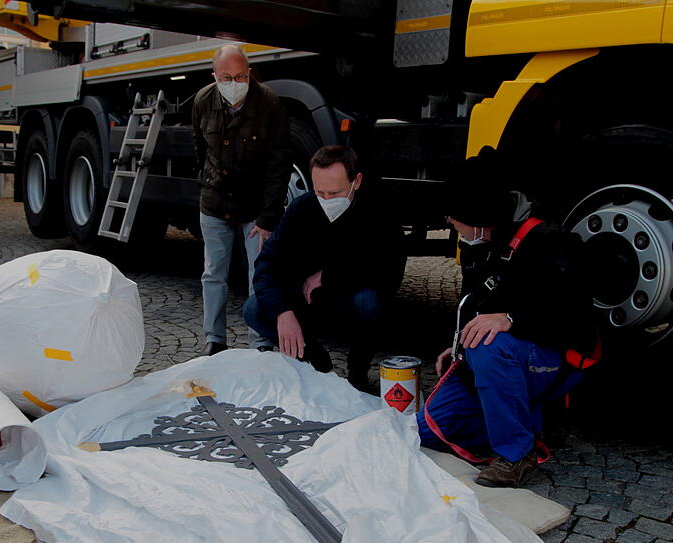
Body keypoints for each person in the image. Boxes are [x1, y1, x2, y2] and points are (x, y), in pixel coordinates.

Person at [417, 147, 596, 487]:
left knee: (490, 347)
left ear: (478, 215)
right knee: (427, 431)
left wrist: (511, 319)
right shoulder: (480, 246)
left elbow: (573, 315)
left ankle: (517, 452)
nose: (449, 221)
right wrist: (457, 347)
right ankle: (514, 417)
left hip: (553, 355)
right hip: (504, 355)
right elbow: (478, 305)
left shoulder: (548, 242)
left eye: (455, 215)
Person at [243, 145, 405, 391]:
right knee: (254, 309)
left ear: (356, 181)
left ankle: (358, 372)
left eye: (335, 192)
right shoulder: (302, 209)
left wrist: (330, 276)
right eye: (320, 193)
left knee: (370, 302)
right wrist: (283, 312)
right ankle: (314, 359)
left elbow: (388, 271)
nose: (327, 200)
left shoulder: (380, 212)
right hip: (309, 303)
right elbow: (267, 265)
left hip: (352, 300)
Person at [191, 44, 292, 356]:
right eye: (226, 77)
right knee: (213, 274)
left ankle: (260, 340)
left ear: (250, 74)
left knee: (257, 274)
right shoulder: (203, 101)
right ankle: (214, 339)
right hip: (215, 202)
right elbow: (199, 148)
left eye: (239, 76)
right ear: (215, 76)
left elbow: (280, 163)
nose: (233, 84)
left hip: (255, 206)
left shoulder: (269, 104)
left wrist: (268, 217)